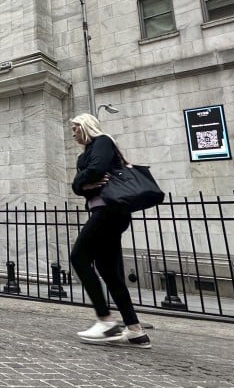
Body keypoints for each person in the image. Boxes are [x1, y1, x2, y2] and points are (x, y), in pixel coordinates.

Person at [68, 112, 151, 349]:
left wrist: (83, 181)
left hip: (109, 211)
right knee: (108, 270)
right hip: (103, 212)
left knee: (79, 257)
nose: (73, 133)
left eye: (75, 128)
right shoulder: (84, 154)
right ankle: (136, 331)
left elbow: (96, 171)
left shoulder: (102, 141)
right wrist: (82, 183)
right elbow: (79, 186)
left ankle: (105, 320)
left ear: (85, 126)